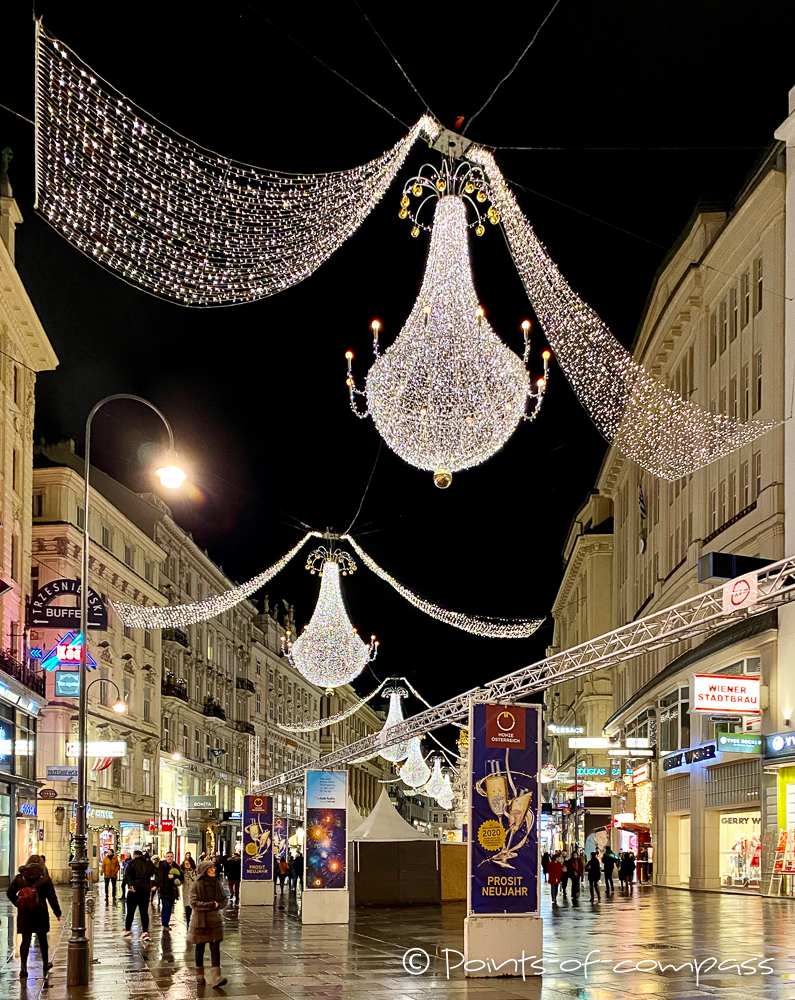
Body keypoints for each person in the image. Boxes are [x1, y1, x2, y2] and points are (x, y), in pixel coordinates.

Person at [7, 855, 61, 979]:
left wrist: (18, 903)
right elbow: (52, 897)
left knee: (25, 940)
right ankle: (45, 964)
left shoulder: (20, 877)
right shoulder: (45, 878)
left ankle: (23, 968)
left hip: (25, 912)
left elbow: (9, 892)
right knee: (42, 939)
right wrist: (57, 912)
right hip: (40, 911)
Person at [188, 860, 228, 988]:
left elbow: (224, 900)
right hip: (200, 921)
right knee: (200, 947)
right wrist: (212, 905)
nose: (213, 871)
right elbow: (193, 903)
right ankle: (199, 975)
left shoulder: (217, 883)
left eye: (213, 868)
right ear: (204, 871)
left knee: (215, 948)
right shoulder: (196, 884)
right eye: (210, 869)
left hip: (215, 921)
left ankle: (216, 977)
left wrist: (218, 905)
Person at [124, 850, 156, 941]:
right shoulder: (148, 863)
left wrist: (130, 885)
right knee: (144, 912)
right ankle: (145, 932)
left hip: (134, 889)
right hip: (145, 889)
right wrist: (154, 885)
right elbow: (156, 874)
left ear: (134, 856)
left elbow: (127, 875)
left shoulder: (131, 863)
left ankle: (127, 929)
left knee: (130, 911)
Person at [156, 851, 182, 931]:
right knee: (165, 907)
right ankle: (165, 924)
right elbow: (159, 877)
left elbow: (180, 876)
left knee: (170, 908)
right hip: (164, 890)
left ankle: (166, 923)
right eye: (168, 856)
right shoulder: (161, 866)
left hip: (172, 891)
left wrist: (175, 878)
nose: (170, 858)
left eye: (171, 856)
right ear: (165, 857)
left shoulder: (176, 866)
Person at [181, 853, 197, 928]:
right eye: (185, 864)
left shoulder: (195, 872)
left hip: (195, 893)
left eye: (188, 863)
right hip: (187, 893)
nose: (187, 865)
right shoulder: (182, 873)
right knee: (188, 909)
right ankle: (188, 924)